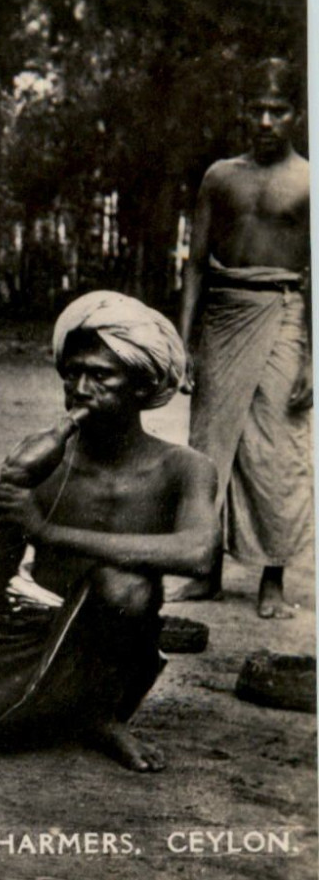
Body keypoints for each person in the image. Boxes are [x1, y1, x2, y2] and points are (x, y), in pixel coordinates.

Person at [0, 292, 217, 772]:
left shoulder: (184, 468)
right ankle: (59, 714)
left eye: (100, 375)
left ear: (142, 383)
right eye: (71, 374)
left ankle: (100, 716)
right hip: (27, 643)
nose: (79, 388)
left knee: (123, 585)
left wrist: (48, 531)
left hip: (112, 659)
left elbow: (199, 552)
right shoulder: (42, 464)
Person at [177, 58, 311, 618]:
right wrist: (182, 340)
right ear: (242, 112)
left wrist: (311, 357)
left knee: (279, 449)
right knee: (209, 445)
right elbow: (196, 266)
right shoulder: (220, 177)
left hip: (284, 313)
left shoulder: (309, 181)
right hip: (224, 315)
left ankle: (272, 582)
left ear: (297, 115)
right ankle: (204, 570)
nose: (264, 121)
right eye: (255, 109)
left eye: (277, 110)